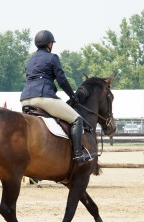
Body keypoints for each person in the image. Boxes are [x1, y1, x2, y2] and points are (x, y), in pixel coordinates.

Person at [20, 30, 95, 165]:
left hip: (25, 99)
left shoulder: (29, 61)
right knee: (77, 119)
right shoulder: (52, 57)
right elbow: (61, 80)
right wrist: (72, 96)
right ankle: (78, 155)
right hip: (43, 98)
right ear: (50, 44)